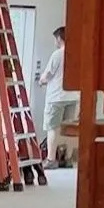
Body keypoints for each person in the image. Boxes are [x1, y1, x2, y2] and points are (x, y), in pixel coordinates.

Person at [37, 27, 77, 168]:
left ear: (59, 38)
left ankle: (51, 159)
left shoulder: (58, 54)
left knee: (52, 128)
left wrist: (41, 80)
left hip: (56, 97)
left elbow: (48, 74)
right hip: (73, 96)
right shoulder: (77, 54)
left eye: (56, 38)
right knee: (68, 128)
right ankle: (66, 159)